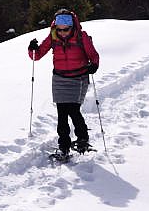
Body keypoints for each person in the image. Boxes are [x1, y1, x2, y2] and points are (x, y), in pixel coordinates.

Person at [28, 9, 99, 157]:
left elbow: (93, 55)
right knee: (62, 113)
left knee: (73, 110)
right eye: (59, 30)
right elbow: (37, 55)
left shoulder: (81, 36)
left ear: (72, 27)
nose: (62, 33)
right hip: (60, 79)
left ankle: (82, 139)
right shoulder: (53, 37)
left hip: (78, 78)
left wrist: (94, 64)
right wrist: (32, 49)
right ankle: (64, 146)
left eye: (65, 30)